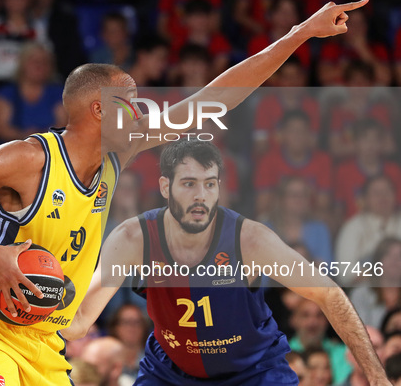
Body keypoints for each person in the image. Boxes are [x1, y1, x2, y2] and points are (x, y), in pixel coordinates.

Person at [0, 0, 371, 386]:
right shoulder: (26, 160)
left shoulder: (116, 156)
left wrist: (298, 35)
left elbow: (210, 101)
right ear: (100, 110)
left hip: (45, 341)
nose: (143, 110)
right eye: (132, 101)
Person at [63, 139, 389, 385]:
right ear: (165, 186)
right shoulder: (135, 239)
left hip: (253, 370)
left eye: (209, 184)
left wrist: (377, 378)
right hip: (171, 371)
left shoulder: (249, 240)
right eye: (189, 184)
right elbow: (79, 320)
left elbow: (328, 293)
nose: (200, 196)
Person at [0, 42, 66, 143]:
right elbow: (1, 129)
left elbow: (64, 126)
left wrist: (36, 138)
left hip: (50, 152)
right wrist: (29, 136)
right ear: (22, 63)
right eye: (34, 61)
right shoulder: (6, 93)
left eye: (45, 62)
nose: (40, 65)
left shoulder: (58, 93)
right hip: (11, 152)